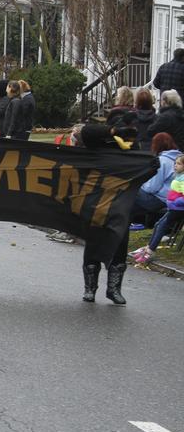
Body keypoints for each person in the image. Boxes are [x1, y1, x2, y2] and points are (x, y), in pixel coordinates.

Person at [78, 123, 136, 305]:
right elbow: (86, 132)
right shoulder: (98, 143)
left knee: (120, 241)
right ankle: (90, 288)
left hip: (121, 201)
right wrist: (111, 132)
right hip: (98, 199)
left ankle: (114, 288)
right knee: (94, 241)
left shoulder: (133, 146)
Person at [133, 154, 184, 266]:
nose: (175, 165)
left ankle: (150, 251)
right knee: (158, 224)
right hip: (173, 207)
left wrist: (177, 202)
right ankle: (148, 248)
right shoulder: (179, 176)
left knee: (162, 226)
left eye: (179, 164)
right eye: (175, 163)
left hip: (178, 208)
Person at [131, 132, 179, 226]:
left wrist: (141, 183)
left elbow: (151, 188)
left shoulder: (162, 161)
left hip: (160, 201)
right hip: (173, 199)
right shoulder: (179, 159)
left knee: (130, 189)